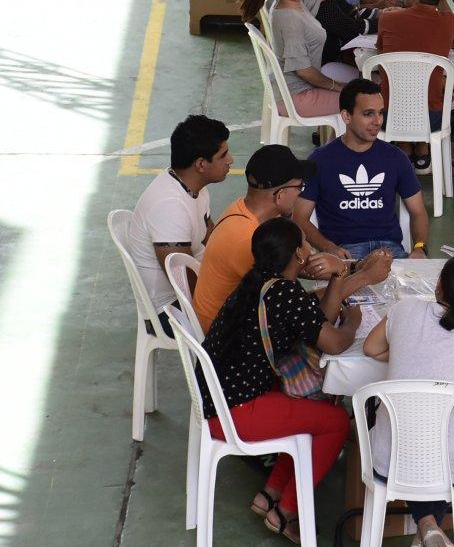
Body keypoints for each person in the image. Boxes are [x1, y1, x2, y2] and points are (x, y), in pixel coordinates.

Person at [198, 218, 391, 544]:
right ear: (297, 257)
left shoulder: (263, 282)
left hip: (222, 396)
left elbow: (318, 320)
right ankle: (285, 511)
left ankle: (271, 494)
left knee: (310, 410)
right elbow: (334, 342)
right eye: (305, 243)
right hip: (235, 411)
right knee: (335, 423)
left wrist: (339, 276)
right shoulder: (285, 294)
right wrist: (354, 320)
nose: (310, 248)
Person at [362, 254, 454, 547]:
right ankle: (429, 527)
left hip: (391, 458)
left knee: (409, 437)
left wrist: (401, 349)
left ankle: (426, 525)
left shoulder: (405, 308)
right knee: (443, 442)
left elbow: (370, 348)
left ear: (438, 285)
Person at [192, 144, 347, 333]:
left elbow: (297, 266)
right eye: (299, 187)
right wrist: (358, 276)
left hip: (235, 318)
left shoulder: (245, 209)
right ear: (280, 195)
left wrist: (350, 267)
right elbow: (301, 310)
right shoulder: (246, 238)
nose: (300, 193)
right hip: (231, 337)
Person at [294, 79, 431, 260]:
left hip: (389, 251)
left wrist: (419, 248)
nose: (377, 121)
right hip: (345, 253)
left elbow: (418, 212)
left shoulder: (396, 158)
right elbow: (300, 217)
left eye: (380, 113)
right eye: (368, 114)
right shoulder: (320, 160)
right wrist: (329, 248)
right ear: (346, 116)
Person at [125, 115, 232, 316]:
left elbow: (213, 239)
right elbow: (184, 284)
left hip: (198, 283)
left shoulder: (194, 186)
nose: (230, 160)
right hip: (172, 311)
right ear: (201, 164)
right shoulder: (169, 208)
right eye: (223, 155)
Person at [376, 0, 454, 172]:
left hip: (390, 114)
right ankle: (421, 147)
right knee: (434, 89)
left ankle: (405, 145)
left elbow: (380, 50)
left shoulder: (388, 18)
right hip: (432, 118)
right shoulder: (447, 22)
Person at [241, 0, 350, 116]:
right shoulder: (289, 18)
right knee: (360, 100)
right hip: (296, 96)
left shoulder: (297, 2)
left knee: (358, 91)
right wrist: (336, 85)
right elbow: (303, 71)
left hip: (299, 88)